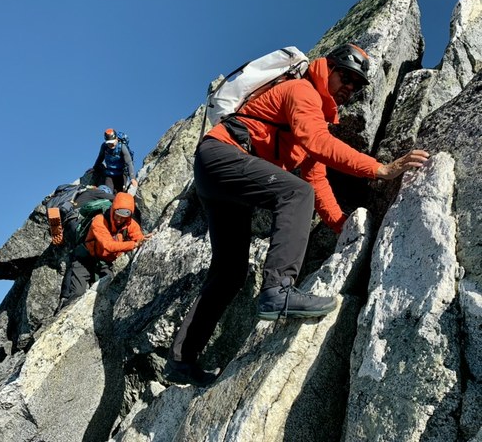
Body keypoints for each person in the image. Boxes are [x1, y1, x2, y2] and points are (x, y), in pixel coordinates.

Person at [164, 43, 429, 386]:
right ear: (328, 69)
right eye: (345, 76)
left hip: (219, 176)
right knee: (294, 192)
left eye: (356, 84)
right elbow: (316, 143)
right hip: (222, 156)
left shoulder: (315, 116)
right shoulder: (302, 91)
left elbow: (317, 181)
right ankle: (279, 289)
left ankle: (181, 361)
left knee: (230, 272)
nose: (349, 87)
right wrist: (379, 168)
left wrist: (344, 228)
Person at [59, 191, 151, 308]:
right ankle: (63, 310)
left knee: (108, 293)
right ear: (113, 210)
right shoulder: (99, 220)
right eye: (117, 215)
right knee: (77, 293)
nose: (119, 220)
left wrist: (145, 239)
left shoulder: (130, 224)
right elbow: (108, 245)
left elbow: (139, 238)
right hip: (84, 260)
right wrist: (134, 244)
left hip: (104, 263)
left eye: (123, 218)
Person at [93, 128, 138, 193]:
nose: (111, 144)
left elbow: (129, 162)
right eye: (109, 143)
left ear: (116, 139)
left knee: (120, 193)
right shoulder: (104, 147)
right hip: (109, 174)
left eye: (113, 142)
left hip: (121, 174)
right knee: (108, 193)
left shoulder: (122, 147)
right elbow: (100, 158)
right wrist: (94, 168)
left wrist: (132, 178)